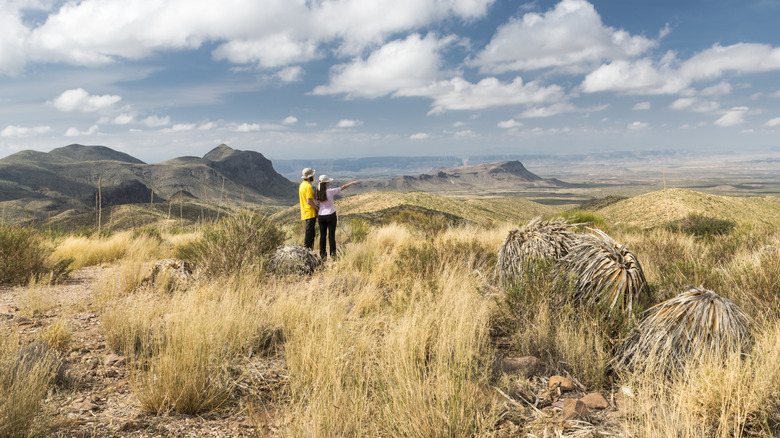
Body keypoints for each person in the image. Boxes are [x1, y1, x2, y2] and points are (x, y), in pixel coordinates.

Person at [313, 175, 357, 259]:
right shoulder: (330, 191)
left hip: (321, 216)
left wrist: (317, 215)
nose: (329, 182)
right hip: (331, 215)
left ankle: (322, 255)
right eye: (328, 181)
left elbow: (316, 205)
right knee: (331, 236)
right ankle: (333, 255)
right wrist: (351, 183)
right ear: (326, 183)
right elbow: (342, 187)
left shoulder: (317, 193)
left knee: (322, 236)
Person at [299, 168, 318, 249]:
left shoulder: (302, 185)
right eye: (312, 175)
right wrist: (317, 208)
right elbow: (309, 201)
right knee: (309, 235)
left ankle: (308, 250)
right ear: (310, 177)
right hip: (310, 213)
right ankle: (307, 251)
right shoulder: (308, 186)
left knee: (310, 233)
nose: (313, 176)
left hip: (305, 212)